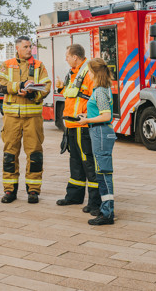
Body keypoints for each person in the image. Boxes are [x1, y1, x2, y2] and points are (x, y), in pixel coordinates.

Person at [0, 35, 51, 203]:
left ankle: (33, 190)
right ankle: (9, 190)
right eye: (25, 47)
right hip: (11, 118)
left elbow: (46, 86)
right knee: (9, 154)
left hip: (33, 118)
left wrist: (32, 93)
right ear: (17, 48)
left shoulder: (39, 65)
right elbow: (1, 85)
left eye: (30, 46)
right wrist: (18, 87)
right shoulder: (7, 64)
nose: (29, 49)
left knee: (35, 154)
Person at [55, 43, 101, 214]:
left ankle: (95, 202)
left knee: (89, 164)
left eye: (67, 56)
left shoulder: (89, 72)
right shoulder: (73, 73)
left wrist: (88, 117)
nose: (66, 59)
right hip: (72, 125)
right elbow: (72, 95)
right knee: (75, 162)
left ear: (75, 57)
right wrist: (61, 87)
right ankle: (74, 196)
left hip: (83, 125)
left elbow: (95, 97)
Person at [75, 57, 116, 225]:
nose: (89, 75)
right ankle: (105, 209)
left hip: (100, 132)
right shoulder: (103, 89)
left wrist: (87, 120)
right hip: (100, 131)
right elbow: (101, 112)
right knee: (102, 172)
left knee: (103, 173)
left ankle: (107, 213)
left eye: (90, 72)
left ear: (95, 73)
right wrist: (88, 116)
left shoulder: (99, 91)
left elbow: (106, 115)